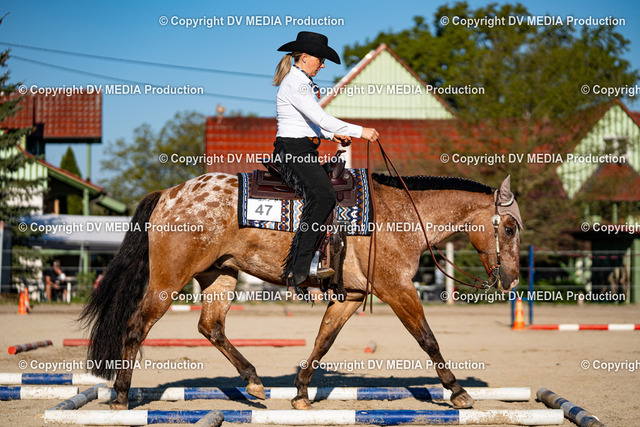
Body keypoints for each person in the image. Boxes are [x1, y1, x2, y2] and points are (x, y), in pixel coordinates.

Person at [272, 31, 379, 290]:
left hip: (302, 148)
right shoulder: (296, 83)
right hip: (293, 150)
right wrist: (360, 131)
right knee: (323, 196)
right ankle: (299, 268)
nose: (322, 66)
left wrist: (332, 136)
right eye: (320, 60)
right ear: (305, 57)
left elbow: (309, 124)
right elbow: (320, 119)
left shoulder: (300, 82)